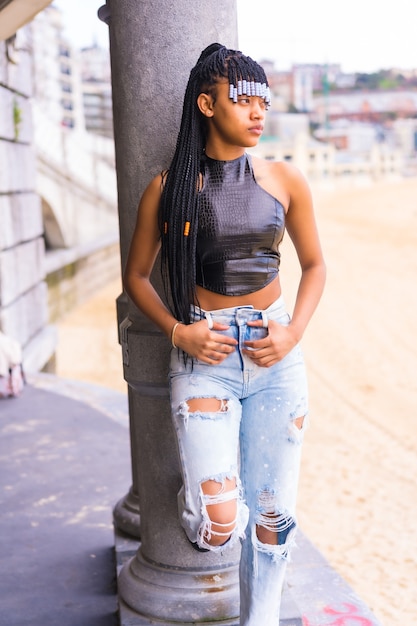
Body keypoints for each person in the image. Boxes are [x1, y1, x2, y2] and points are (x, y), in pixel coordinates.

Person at [124, 43, 326, 626]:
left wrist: (293, 334)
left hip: (274, 358)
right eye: (244, 99)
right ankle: (205, 506)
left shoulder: (286, 178)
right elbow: (136, 276)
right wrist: (177, 332)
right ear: (208, 104)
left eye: (264, 99)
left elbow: (315, 266)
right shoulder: (169, 190)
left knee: (272, 521)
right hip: (204, 356)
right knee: (218, 525)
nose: (259, 111)